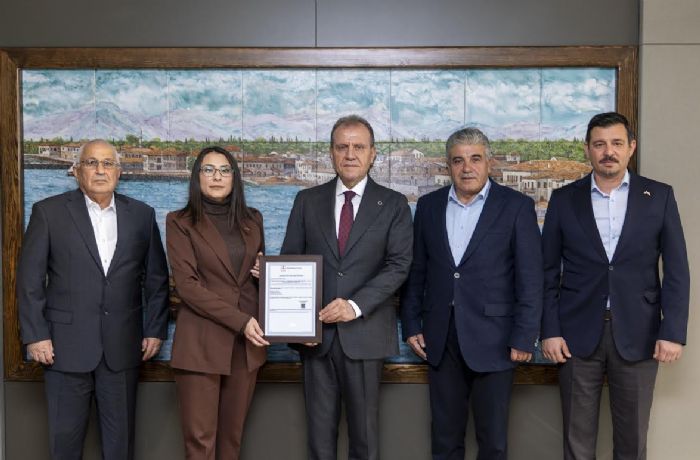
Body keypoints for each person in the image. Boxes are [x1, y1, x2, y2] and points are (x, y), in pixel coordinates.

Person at [540, 112, 690, 460]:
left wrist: (672, 331)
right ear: (587, 149)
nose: (609, 151)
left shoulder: (659, 196)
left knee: (632, 442)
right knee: (576, 443)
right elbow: (545, 272)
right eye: (600, 144)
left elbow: (677, 270)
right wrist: (549, 330)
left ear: (631, 147)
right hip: (574, 335)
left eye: (617, 143)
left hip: (641, 332)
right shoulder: (564, 199)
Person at [17, 139, 170, 460]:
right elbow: (30, 280)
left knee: (120, 447)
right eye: (91, 163)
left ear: (119, 171)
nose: (100, 170)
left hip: (122, 349)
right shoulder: (48, 212)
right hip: (62, 349)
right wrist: (36, 335)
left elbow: (157, 279)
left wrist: (155, 330)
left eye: (108, 163)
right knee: (64, 446)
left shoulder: (142, 215)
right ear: (76, 171)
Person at [400, 127, 543, 460]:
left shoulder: (516, 206)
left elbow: (530, 278)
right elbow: (416, 271)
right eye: (458, 160)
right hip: (441, 338)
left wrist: (524, 337)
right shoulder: (429, 206)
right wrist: (411, 324)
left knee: (492, 443)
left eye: (475, 159)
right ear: (448, 165)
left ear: (489, 162)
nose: (467, 168)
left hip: (496, 339)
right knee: (444, 441)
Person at [281, 115, 413, 460]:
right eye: (342, 147)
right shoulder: (307, 201)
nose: (350, 154)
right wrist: (299, 325)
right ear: (331, 153)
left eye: (358, 147)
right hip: (316, 339)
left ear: (373, 154)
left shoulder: (394, 204)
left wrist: (353, 306)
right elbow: (291, 263)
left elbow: (398, 266)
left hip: (366, 336)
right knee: (319, 441)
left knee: (364, 440)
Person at [166, 146, 268, 460]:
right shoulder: (179, 221)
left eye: (224, 170)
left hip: (245, 347)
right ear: (197, 177)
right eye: (208, 170)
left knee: (231, 442)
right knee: (201, 444)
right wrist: (241, 321)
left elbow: (256, 278)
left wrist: (265, 273)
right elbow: (188, 287)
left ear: (234, 177)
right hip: (201, 343)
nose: (217, 176)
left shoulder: (253, 219)